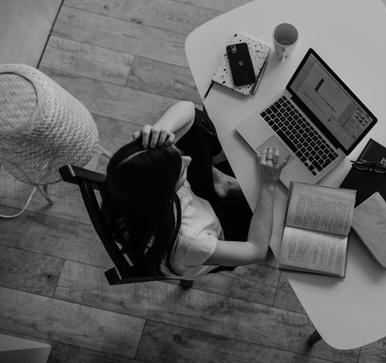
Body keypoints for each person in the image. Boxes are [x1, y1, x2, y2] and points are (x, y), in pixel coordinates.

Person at [102, 101, 288, 280]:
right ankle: (226, 187)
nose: (188, 159)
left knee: (197, 123)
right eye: (181, 168)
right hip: (219, 234)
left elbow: (188, 110)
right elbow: (255, 250)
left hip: (191, 207)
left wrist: (161, 129)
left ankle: (222, 185)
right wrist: (268, 184)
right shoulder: (191, 241)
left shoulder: (128, 177)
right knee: (281, 211)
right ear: (166, 192)